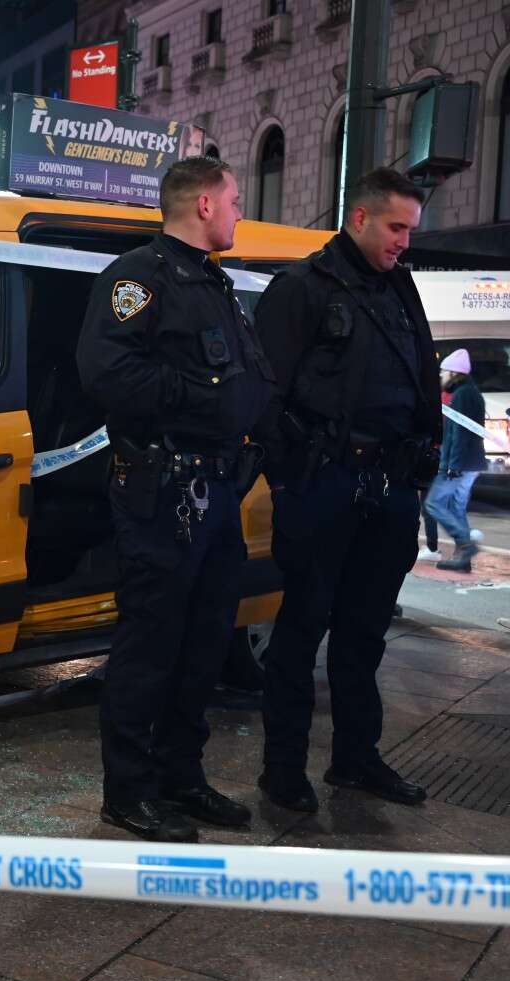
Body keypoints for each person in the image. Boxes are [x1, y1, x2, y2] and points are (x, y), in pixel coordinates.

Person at [76, 157, 274, 841]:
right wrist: (208, 402)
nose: (240, 212)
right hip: (162, 492)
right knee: (151, 645)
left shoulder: (213, 282)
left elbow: (249, 376)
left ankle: (180, 778)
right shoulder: (139, 278)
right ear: (203, 206)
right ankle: (128, 792)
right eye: (236, 200)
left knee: (204, 643)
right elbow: (109, 372)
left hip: (215, 490)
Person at [254, 168, 439, 812]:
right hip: (324, 482)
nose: (404, 243)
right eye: (395, 228)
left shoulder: (399, 287)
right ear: (358, 219)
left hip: (387, 486)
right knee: (302, 628)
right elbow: (266, 397)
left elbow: (420, 377)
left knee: (364, 633)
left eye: (410, 231)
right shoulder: (301, 288)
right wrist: (293, 481)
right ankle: (283, 770)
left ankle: (356, 759)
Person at [428, 348, 486, 572]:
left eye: (443, 372)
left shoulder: (462, 395)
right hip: (471, 463)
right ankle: (463, 559)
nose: (441, 376)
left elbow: (459, 433)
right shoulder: (472, 392)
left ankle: (465, 544)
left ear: (454, 373)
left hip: (459, 463)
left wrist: (453, 464)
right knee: (457, 507)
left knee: (434, 504)